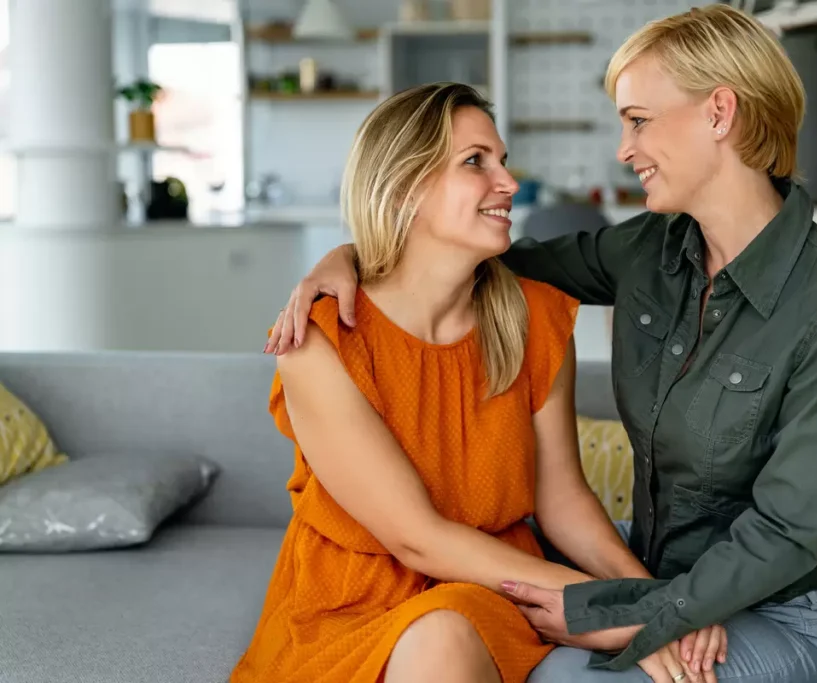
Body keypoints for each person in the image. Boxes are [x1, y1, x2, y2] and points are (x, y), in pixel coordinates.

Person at [267, 5, 817, 683]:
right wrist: (350, 258)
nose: (624, 149)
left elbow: (779, 534)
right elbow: (480, 256)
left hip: (763, 603)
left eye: (638, 120)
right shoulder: (651, 249)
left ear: (718, 114)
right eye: (479, 161)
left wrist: (650, 611)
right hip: (653, 574)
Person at [232, 81, 704, 683]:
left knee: (445, 636)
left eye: (501, 160)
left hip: (481, 589)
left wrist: (655, 601)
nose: (507, 182)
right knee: (439, 640)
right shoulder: (322, 340)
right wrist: (610, 606)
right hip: (347, 604)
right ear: (405, 187)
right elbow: (417, 538)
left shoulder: (533, 314)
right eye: (475, 162)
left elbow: (562, 504)